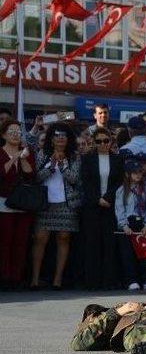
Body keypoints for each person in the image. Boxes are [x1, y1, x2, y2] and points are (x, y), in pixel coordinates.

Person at [30, 122, 82, 289]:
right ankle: (35, 279)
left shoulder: (74, 156)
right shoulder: (41, 154)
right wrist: (51, 167)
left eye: (64, 135)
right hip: (44, 204)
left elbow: (75, 179)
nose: (60, 138)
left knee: (63, 238)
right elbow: (36, 178)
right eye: (57, 135)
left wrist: (62, 166)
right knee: (40, 239)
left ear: (68, 139)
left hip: (67, 204)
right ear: (51, 139)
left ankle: (57, 280)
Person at [80, 127, 123, 290]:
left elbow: (119, 182)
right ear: (94, 142)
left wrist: (107, 198)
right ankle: (92, 281)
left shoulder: (118, 159)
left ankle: (108, 280)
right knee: (92, 244)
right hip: (92, 207)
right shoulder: (87, 159)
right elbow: (86, 182)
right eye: (99, 141)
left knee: (109, 244)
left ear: (111, 142)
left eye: (106, 141)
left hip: (110, 206)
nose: (103, 144)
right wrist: (97, 200)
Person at [0, 120, 35, 289]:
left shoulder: (26, 152)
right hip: (3, 202)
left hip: (23, 203)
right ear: (3, 134)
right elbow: (3, 173)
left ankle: (16, 277)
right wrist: (14, 156)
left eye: (18, 131)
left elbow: (30, 174)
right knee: (5, 240)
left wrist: (22, 158)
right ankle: (4, 276)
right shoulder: (0, 153)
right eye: (11, 131)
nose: (15, 134)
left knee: (21, 241)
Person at [114, 159, 146, 291]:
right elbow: (119, 208)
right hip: (128, 224)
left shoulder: (145, 189)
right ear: (127, 174)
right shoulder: (122, 190)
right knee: (128, 255)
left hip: (142, 223)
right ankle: (132, 280)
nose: (138, 175)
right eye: (134, 173)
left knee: (144, 253)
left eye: (140, 172)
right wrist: (124, 225)